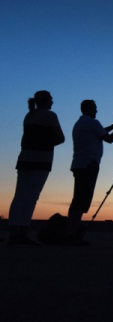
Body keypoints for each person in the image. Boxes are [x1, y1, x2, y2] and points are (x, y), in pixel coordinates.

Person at [7, 90, 65, 246]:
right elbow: (60, 138)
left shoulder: (29, 115)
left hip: (25, 158)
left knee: (19, 196)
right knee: (31, 197)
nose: (53, 102)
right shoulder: (50, 116)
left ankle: (14, 233)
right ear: (46, 101)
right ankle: (23, 234)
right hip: (41, 160)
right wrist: (45, 143)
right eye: (51, 99)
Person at [66, 100, 113, 245]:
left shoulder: (82, 123)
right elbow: (109, 138)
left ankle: (70, 233)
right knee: (81, 200)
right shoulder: (92, 122)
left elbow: (100, 133)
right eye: (95, 108)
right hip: (89, 164)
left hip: (80, 163)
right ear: (88, 108)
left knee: (78, 198)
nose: (97, 111)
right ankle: (71, 235)